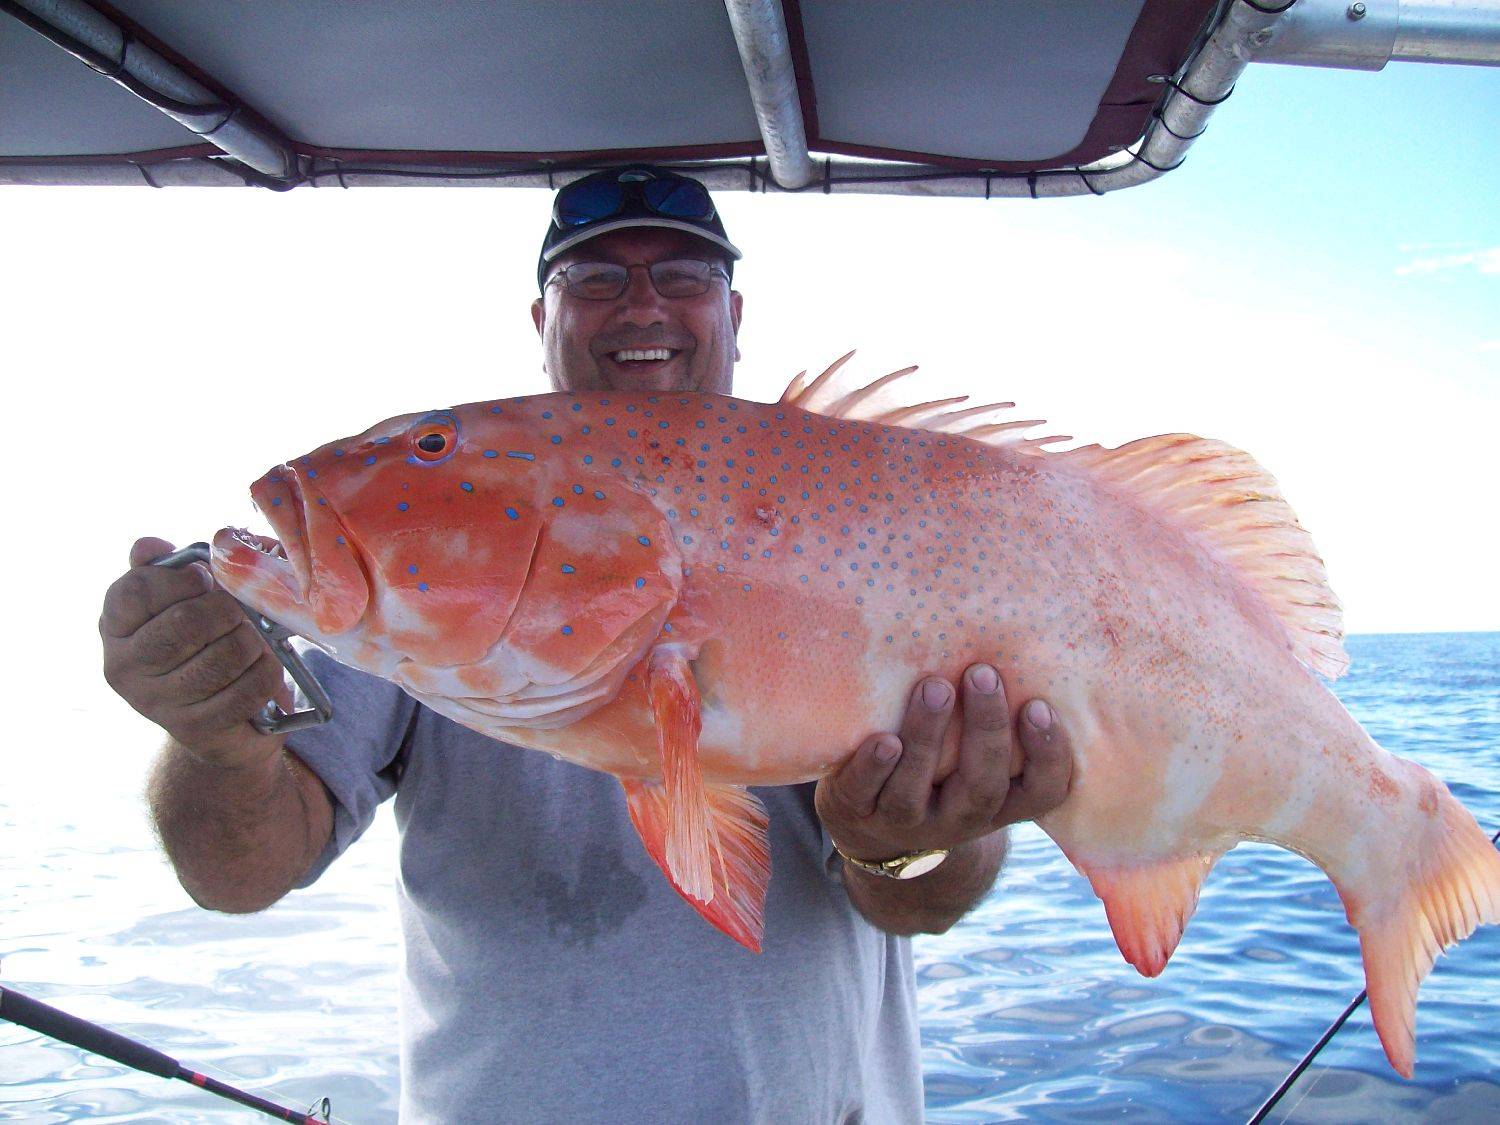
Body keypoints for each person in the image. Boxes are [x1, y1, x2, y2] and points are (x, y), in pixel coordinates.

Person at [100, 165, 1074, 1123]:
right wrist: (218, 738)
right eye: (595, 278)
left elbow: (929, 900)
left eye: (683, 277)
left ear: (734, 314)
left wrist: (902, 849)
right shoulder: (407, 588)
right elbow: (234, 873)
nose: (641, 306)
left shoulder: (866, 518)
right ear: (542, 323)